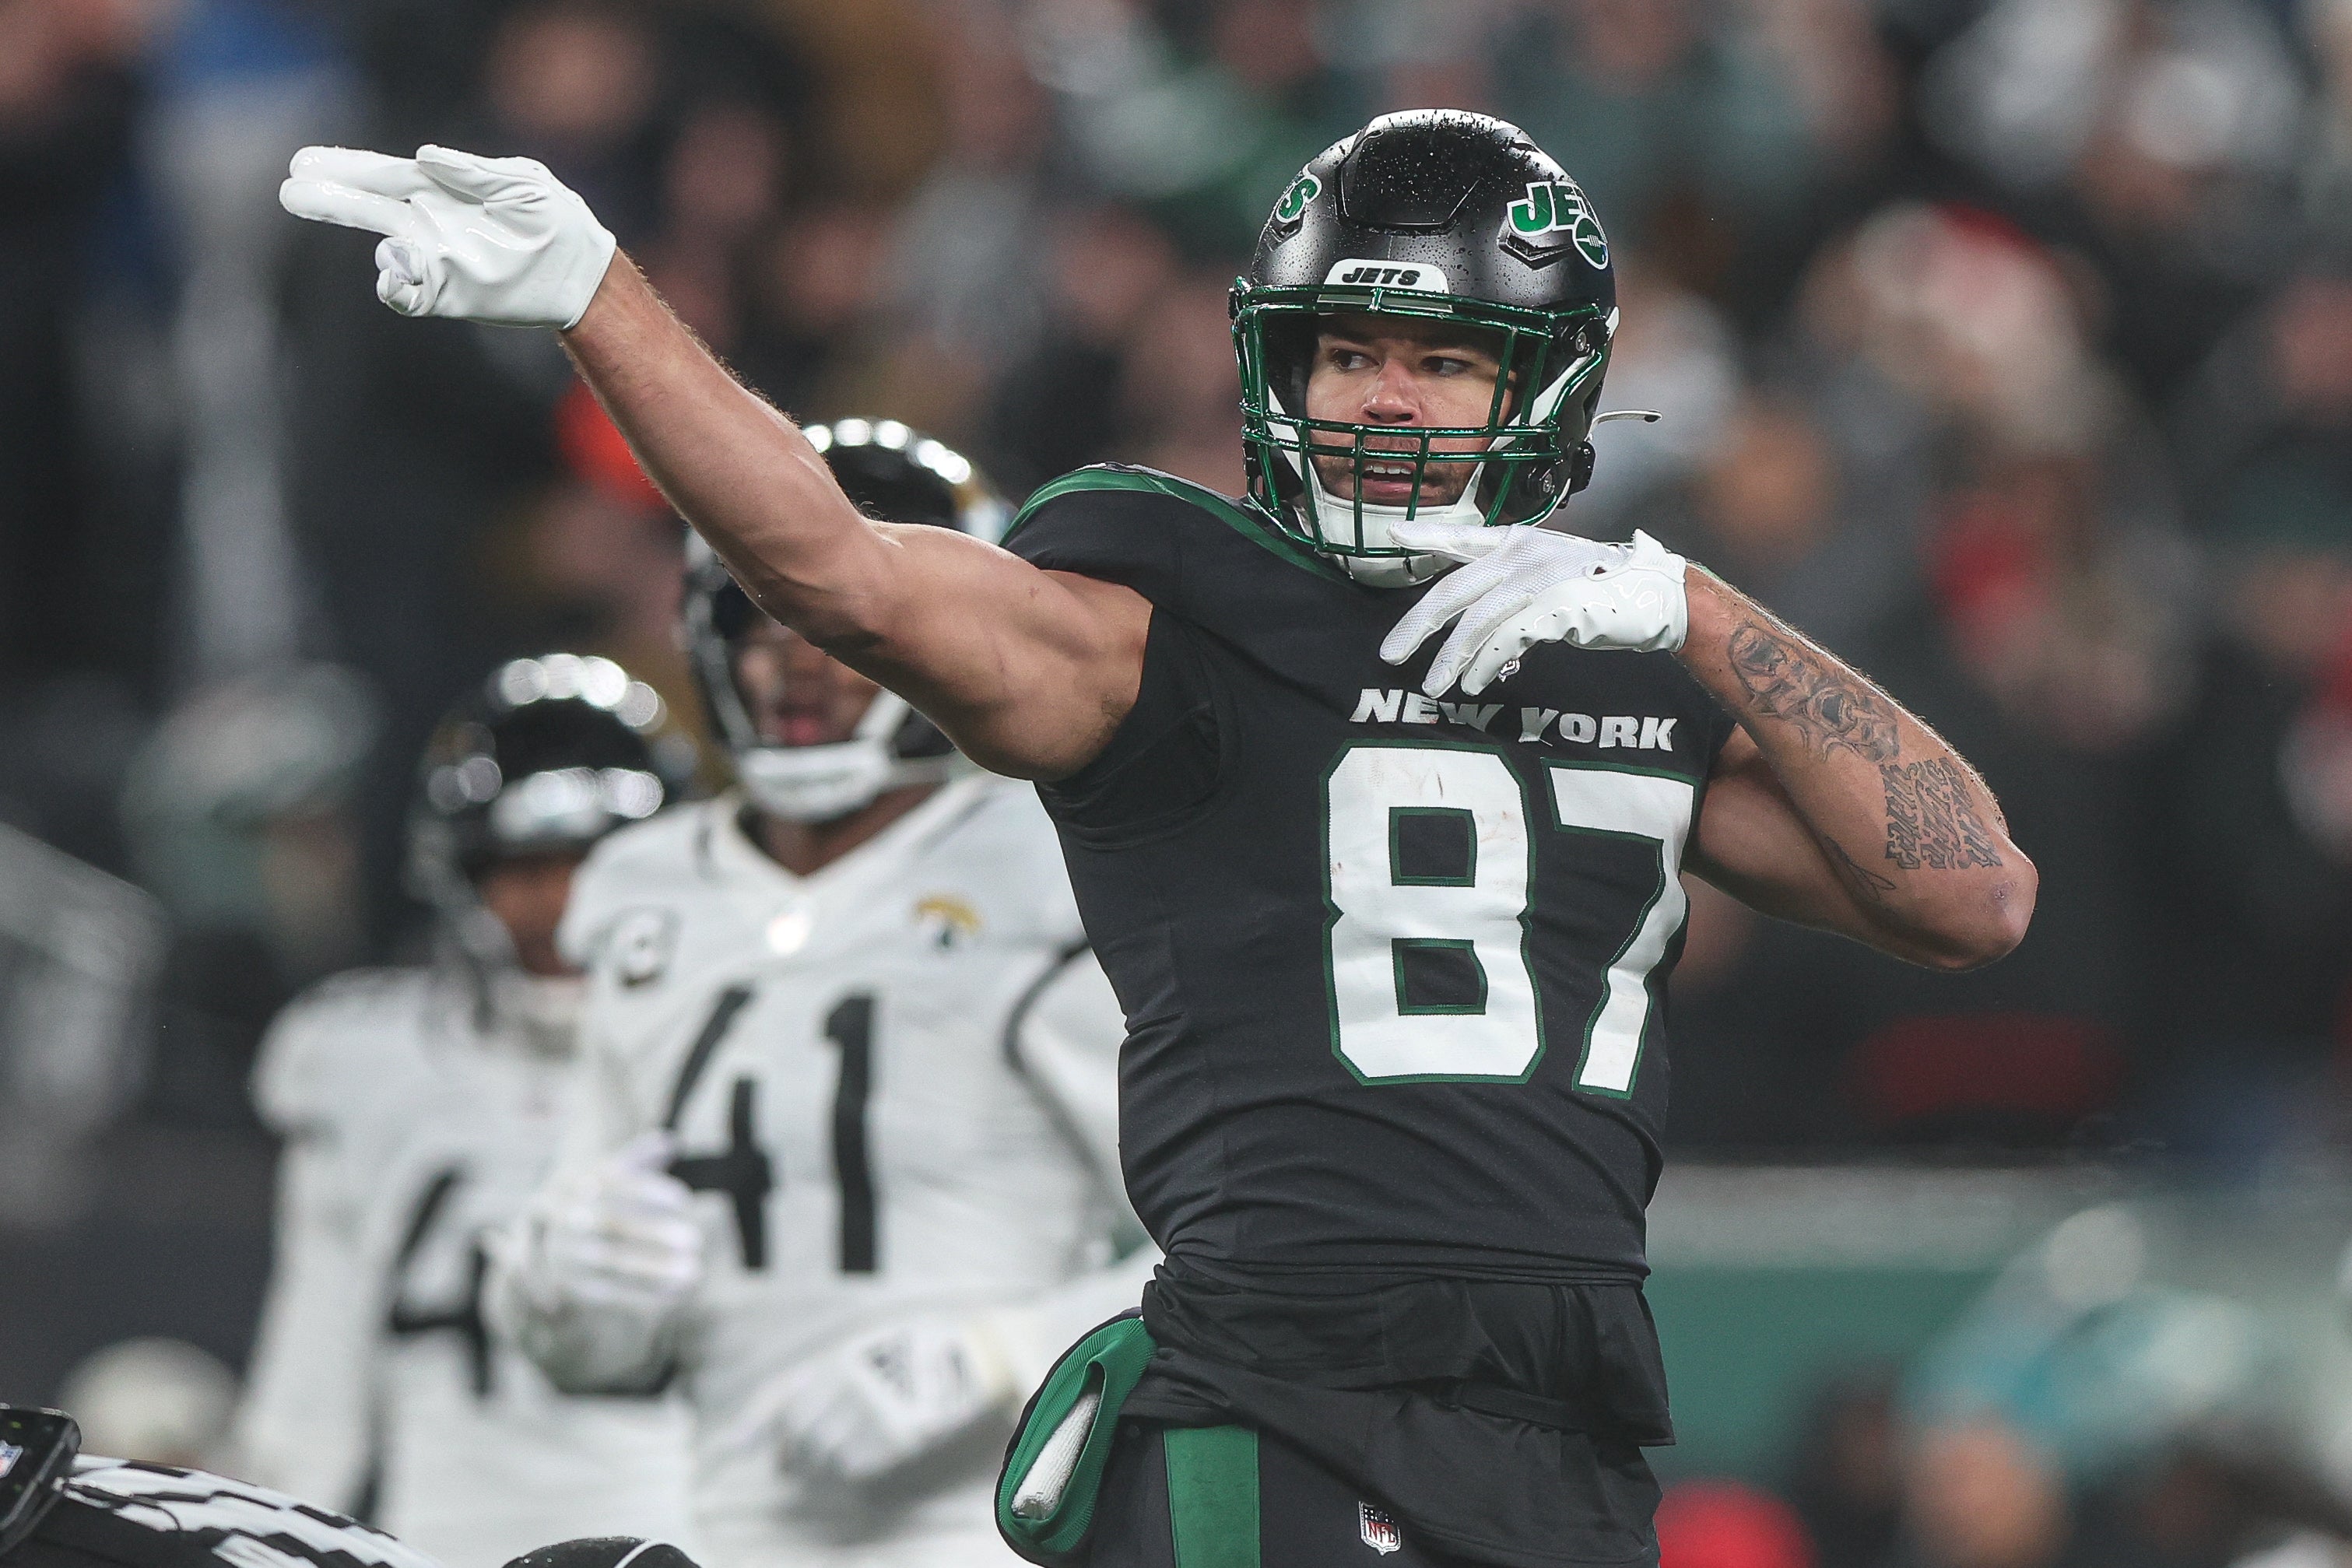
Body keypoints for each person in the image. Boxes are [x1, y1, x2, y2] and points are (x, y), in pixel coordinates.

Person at [282, 108, 2037, 1568]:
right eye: (1345, 350)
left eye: (1441, 358)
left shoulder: (1631, 654)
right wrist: (600, 296)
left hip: (1562, 1418)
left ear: (1549, 389)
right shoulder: (1168, 619)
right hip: (1280, 1395)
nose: (1381, 398)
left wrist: (1698, 609)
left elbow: (1971, 896)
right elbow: (841, 569)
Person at [484, 423, 1152, 1568]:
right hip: (720, 1526)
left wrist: (1000, 1352)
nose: (799, 662)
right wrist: (561, 1285)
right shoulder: (644, 887)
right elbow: (590, 1345)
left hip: (998, 1530)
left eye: (844, 626)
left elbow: (1226, 1243)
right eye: (764, 620)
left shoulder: (1051, 863)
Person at [227, 656, 697, 1568]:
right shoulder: (367, 1063)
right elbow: (310, 1390)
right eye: (524, 866)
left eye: (591, 864)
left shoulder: (746, 1055)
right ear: (460, 874)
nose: (559, 906)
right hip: (436, 1542)